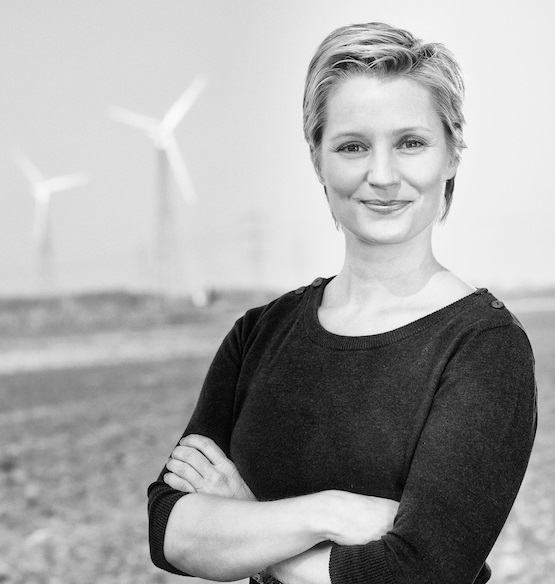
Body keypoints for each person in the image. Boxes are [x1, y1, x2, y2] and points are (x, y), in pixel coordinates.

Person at [148, 22, 537, 584]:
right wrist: (328, 513)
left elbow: (418, 573)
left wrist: (248, 526)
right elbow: (169, 530)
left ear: (452, 154)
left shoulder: (484, 348)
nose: (382, 176)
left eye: (410, 143)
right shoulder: (258, 334)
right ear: (317, 160)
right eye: (353, 147)